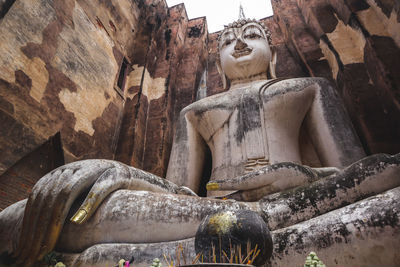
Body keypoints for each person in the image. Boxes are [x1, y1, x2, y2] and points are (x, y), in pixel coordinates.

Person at [1, 19, 395, 267]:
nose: (239, 44)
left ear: (272, 53)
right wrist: (121, 173)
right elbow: (180, 190)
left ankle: (242, 233)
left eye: (252, 35)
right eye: (228, 42)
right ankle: (246, 233)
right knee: (27, 213)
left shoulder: (308, 88)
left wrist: (304, 175)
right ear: (218, 60)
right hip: (202, 211)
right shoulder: (195, 111)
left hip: (305, 203)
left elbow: (353, 174)